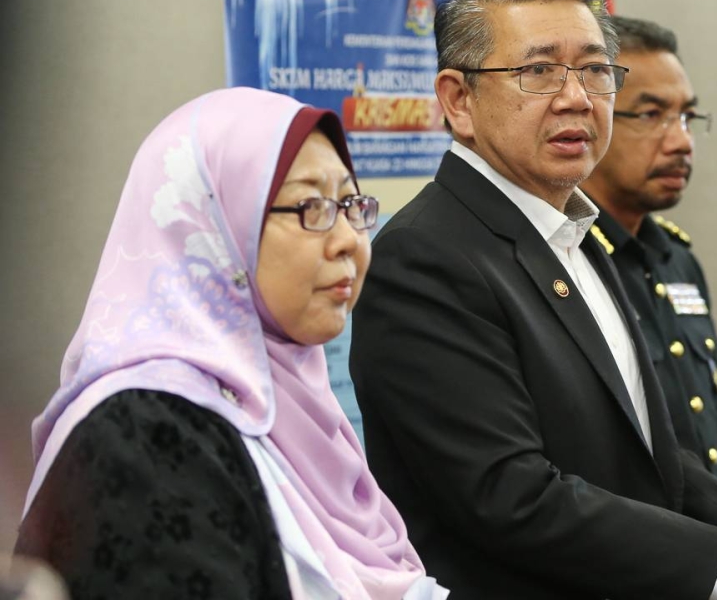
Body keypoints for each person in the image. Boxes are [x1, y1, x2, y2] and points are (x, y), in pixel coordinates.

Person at [349, 0, 717, 600]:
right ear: (458, 100)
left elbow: (653, 458)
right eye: (537, 71)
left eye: (594, 70)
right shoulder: (424, 257)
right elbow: (509, 497)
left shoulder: (575, 232)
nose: (577, 98)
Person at [14, 87, 447, 600]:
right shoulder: (145, 431)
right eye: (312, 206)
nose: (351, 240)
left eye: (352, 204)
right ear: (212, 226)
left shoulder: (298, 407)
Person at [578, 16, 717, 504]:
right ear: (590, 117)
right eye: (652, 114)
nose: (681, 141)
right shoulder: (569, 261)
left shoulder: (676, 258)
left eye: (686, 117)